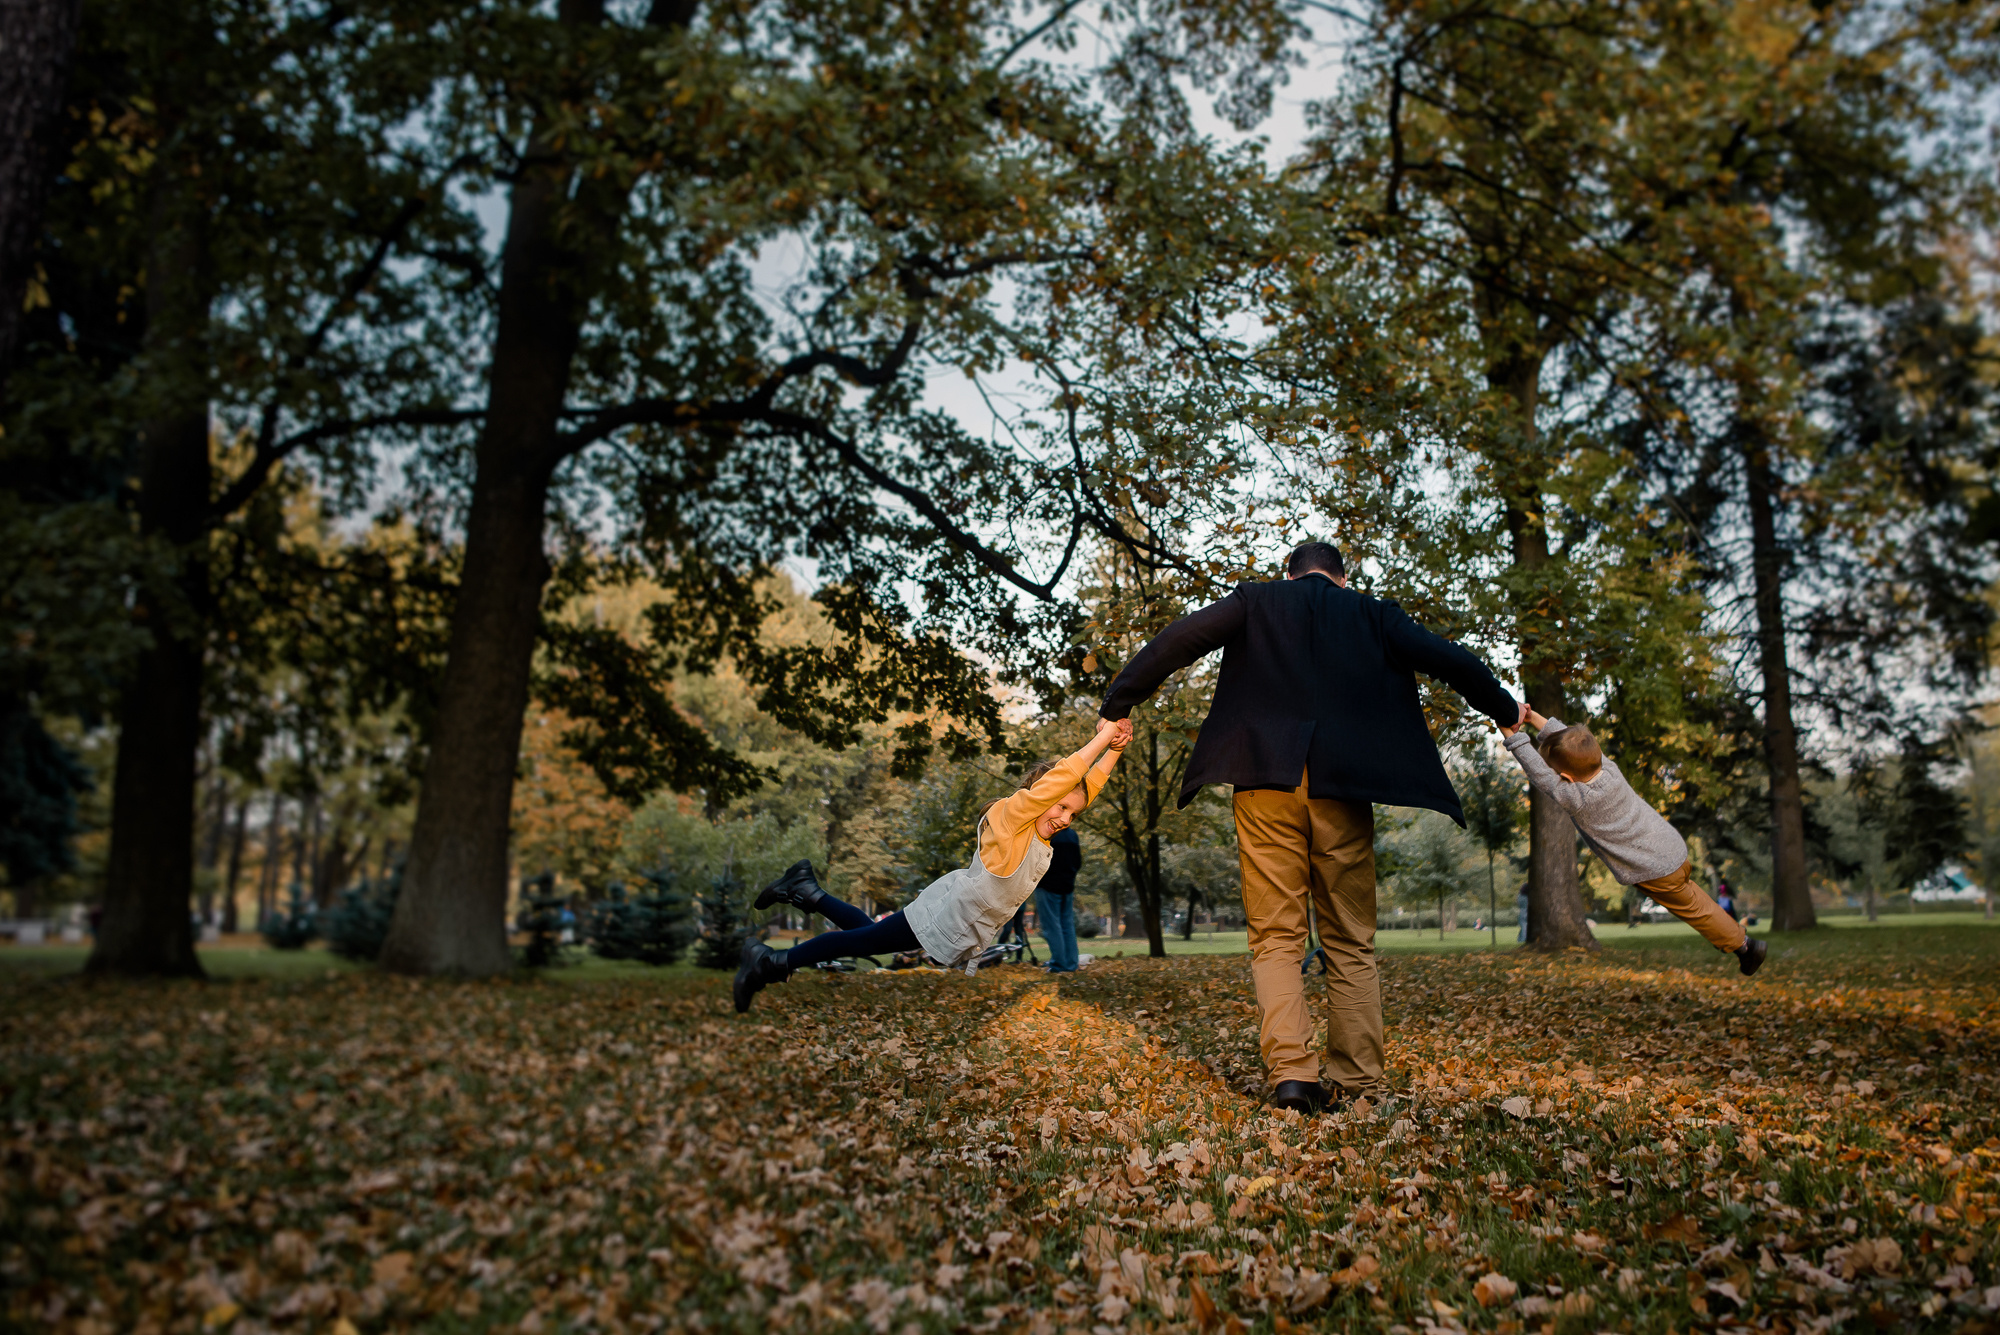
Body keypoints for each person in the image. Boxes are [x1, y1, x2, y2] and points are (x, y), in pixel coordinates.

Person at [1098, 541, 1523, 1114]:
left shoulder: (1255, 601)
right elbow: (1449, 658)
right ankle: (1359, 1082)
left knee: (1276, 937)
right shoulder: (1374, 613)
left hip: (1264, 781)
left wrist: (1119, 699)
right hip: (1341, 789)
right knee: (1349, 937)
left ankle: (1294, 1077)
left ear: (1288, 573)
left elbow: (1180, 638)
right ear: (1342, 580)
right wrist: (1501, 706)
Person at [733, 721, 1131, 1011]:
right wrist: (1102, 735)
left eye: (1073, 815)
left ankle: (807, 891)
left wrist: (1114, 749)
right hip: (948, 913)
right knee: (866, 942)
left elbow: (1085, 788)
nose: (1065, 817)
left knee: (872, 937)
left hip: (956, 916)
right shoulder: (1013, 819)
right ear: (1039, 795)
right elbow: (1067, 778)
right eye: (1060, 806)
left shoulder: (1041, 838)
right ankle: (771, 961)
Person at [1502, 710, 1766, 975]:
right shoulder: (1608, 768)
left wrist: (1510, 734)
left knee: (1697, 911)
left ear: (1568, 778)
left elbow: (1539, 774)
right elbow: (1570, 743)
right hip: (1671, 849)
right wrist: (1532, 716)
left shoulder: (1576, 798)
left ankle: (1745, 946)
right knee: (1697, 900)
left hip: (1655, 868)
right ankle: (1743, 944)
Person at [1035, 825, 1083, 972]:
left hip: (1048, 885)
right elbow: (1078, 862)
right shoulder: (1072, 835)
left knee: (1052, 926)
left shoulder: (1047, 834)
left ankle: (1059, 964)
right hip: (1067, 886)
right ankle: (1071, 963)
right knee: (1067, 925)